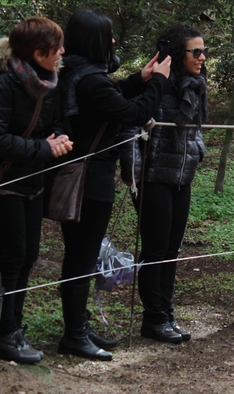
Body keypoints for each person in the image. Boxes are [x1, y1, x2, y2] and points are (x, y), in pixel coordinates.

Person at [56, 9, 171, 360]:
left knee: (81, 254)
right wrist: (160, 83)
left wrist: (141, 77)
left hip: (86, 173)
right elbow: (132, 114)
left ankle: (79, 325)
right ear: (94, 41)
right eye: (108, 36)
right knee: (81, 256)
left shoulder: (77, 74)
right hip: (91, 179)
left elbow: (113, 97)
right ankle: (74, 333)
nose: (113, 41)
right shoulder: (91, 80)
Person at [0, 17, 73, 364]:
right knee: (13, 255)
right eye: (57, 47)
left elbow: (57, 122)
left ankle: (12, 327)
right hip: (2, 184)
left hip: (32, 182)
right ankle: (1, 333)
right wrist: (42, 148)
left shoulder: (50, 81)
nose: (62, 52)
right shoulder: (0, 85)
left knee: (29, 254)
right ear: (38, 52)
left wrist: (59, 139)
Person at [119, 25, 208, 343]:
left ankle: (166, 313)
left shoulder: (195, 86)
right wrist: (134, 175)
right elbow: (130, 127)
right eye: (195, 52)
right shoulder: (155, 86)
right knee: (155, 249)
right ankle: (153, 318)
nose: (202, 57)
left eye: (204, 51)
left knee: (171, 249)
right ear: (177, 55)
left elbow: (193, 130)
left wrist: (198, 151)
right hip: (153, 178)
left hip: (182, 177)